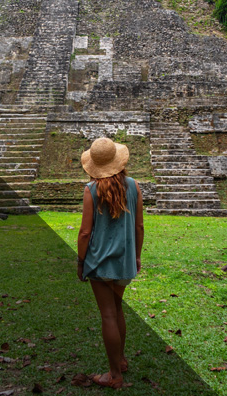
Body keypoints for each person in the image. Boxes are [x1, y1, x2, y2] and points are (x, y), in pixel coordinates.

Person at [77, 137, 144, 389]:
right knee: (117, 310)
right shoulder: (133, 186)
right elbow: (139, 226)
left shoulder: (91, 190)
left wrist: (80, 262)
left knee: (108, 315)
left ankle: (114, 374)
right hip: (124, 261)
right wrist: (136, 256)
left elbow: (85, 232)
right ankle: (121, 360)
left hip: (99, 262)